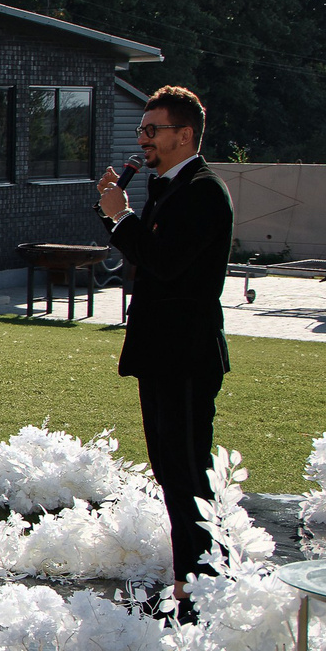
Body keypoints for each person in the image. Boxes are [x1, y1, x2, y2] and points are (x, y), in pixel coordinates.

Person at [98, 84, 234, 616]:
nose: (143, 139)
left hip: (186, 354)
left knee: (186, 471)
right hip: (160, 352)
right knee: (170, 470)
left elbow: (167, 262)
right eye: (141, 130)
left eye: (153, 130)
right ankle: (194, 579)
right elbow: (147, 249)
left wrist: (124, 219)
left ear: (185, 135)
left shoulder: (203, 190)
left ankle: (200, 586)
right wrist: (119, 214)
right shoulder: (166, 185)